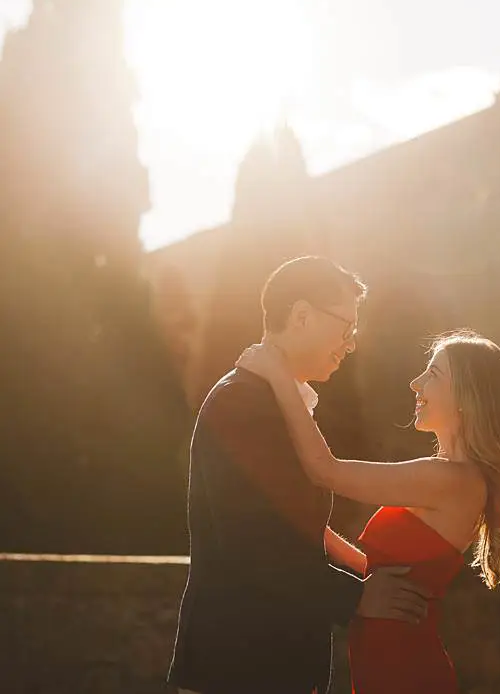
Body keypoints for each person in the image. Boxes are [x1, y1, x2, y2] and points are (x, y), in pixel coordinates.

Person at [168, 256, 431, 694]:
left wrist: (362, 564)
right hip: (239, 665)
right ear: (302, 316)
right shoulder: (245, 405)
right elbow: (255, 542)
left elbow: (289, 520)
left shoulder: (273, 401)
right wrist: (357, 598)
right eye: (345, 329)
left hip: (268, 662)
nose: (350, 345)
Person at [235, 326, 500, 694]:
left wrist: (279, 376)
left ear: (465, 398)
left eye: (433, 374)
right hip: (388, 658)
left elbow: (325, 470)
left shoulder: (449, 479)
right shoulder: (450, 478)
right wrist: (311, 531)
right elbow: (387, 574)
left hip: (403, 667)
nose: (415, 383)